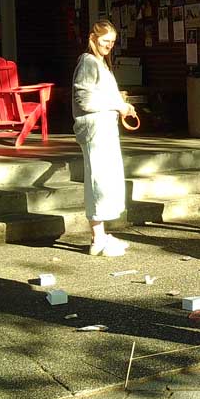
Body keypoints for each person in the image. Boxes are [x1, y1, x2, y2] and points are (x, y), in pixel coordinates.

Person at [72, 19, 135, 257]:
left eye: (112, 42)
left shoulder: (100, 63)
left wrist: (121, 105)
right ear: (92, 38)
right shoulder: (87, 62)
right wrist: (119, 106)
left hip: (105, 127)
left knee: (107, 179)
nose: (108, 45)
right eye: (105, 41)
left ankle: (102, 234)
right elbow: (85, 101)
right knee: (98, 180)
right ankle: (97, 238)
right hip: (95, 128)